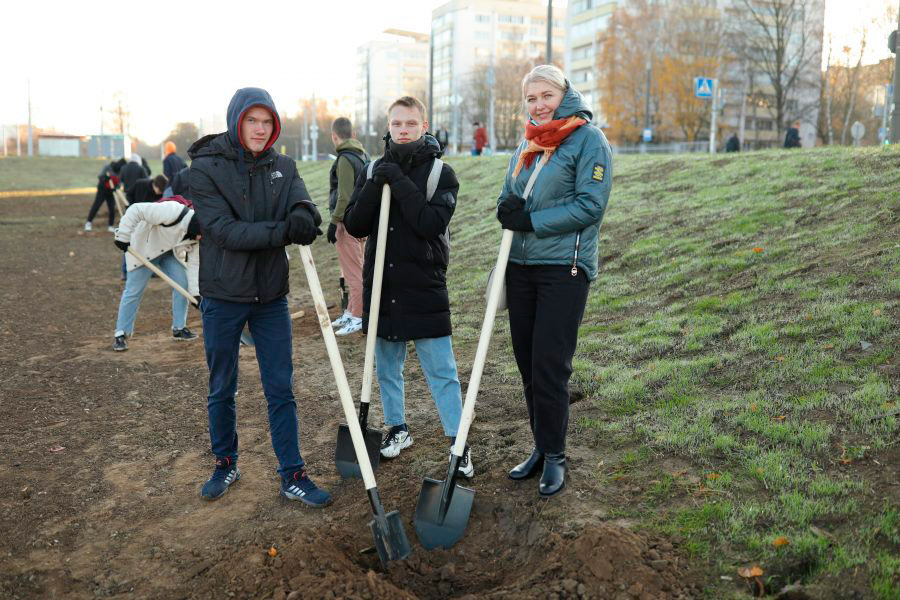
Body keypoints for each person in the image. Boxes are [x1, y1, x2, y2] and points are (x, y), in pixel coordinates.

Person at [188, 87, 332, 507]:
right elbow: (224, 231)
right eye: (252, 120)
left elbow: (303, 202)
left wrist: (304, 214)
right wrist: (284, 231)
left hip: (270, 296)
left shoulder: (282, 166)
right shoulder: (205, 168)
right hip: (223, 294)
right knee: (222, 386)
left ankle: (292, 473)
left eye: (267, 122)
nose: (260, 129)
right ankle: (225, 462)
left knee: (280, 388)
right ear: (236, 121)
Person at [496, 65, 612, 497]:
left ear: (564, 94)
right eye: (531, 98)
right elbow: (510, 192)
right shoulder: (529, 141)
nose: (539, 105)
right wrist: (506, 208)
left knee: (550, 365)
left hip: (564, 267)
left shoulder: (587, 140)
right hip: (521, 269)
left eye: (546, 95)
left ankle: (557, 457)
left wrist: (531, 221)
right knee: (527, 364)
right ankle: (541, 449)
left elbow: (589, 207)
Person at [343, 95, 473, 478]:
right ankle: (398, 428)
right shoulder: (371, 171)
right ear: (388, 127)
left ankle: (458, 442)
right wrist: (377, 181)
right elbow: (355, 225)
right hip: (383, 285)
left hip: (423, 286)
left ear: (424, 126)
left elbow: (429, 223)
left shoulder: (440, 174)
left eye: (410, 124)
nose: (403, 130)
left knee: (441, 370)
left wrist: (398, 181)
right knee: (387, 367)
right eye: (397, 123)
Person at [111, 196, 200, 352]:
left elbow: (194, 265)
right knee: (133, 291)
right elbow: (135, 209)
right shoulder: (172, 210)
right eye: (201, 235)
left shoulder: (198, 236)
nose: (201, 239)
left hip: (167, 252)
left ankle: (179, 328)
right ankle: (121, 334)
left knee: (183, 284)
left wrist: (195, 294)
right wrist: (123, 235)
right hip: (143, 250)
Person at [326, 117, 368, 336]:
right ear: (353, 134)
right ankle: (351, 312)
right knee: (355, 269)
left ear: (335, 136)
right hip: (362, 221)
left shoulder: (344, 159)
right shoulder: (363, 155)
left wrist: (334, 223)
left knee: (353, 273)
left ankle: (359, 317)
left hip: (347, 222)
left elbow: (344, 195)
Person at [85, 158, 125, 232]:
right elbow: (100, 176)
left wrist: (116, 187)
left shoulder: (120, 170)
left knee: (112, 209)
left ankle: (110, 226)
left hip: (111, 192)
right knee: (96, 206)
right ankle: (88, 223)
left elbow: (119, 182)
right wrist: (105, 178)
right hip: (102, 190)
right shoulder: (107, 167)